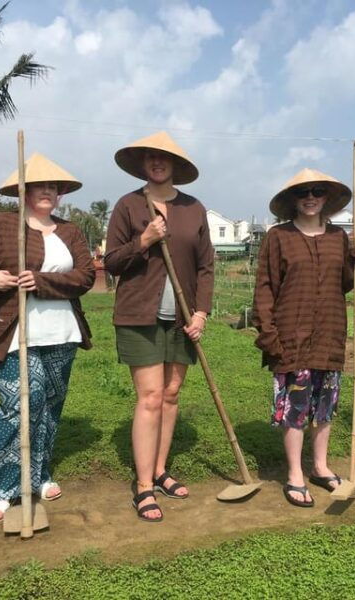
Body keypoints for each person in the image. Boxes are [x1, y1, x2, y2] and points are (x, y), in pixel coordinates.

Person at [0, 154, 95, 522]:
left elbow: (85, 276)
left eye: (53, 187)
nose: (47, 192)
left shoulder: (70, 231)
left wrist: (40, 281)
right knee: (22, 402)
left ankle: (38, 475)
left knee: (50, 406)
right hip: (9, 331)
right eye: (40, 186)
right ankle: (0, 487)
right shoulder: (0, 225)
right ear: (23, 191)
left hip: (61, 333)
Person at [105, 131, 214, 522]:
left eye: (164, 158)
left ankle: (160, 469)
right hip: (140, 315)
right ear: (143, 164)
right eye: (151, 157)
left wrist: (201, 312)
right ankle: (143, 486)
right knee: (150, 396)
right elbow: (112, 263)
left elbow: (205, 266)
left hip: (182, 318)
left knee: (170, 394)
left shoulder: (193, 208)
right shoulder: (128, 206)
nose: (157, 162)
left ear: (175, 166)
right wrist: (145, 240)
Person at [252, 168, 355, 507]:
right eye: (303, 192)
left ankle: (319, 466)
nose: (310, 197)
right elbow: (265, 287)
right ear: (293, 200)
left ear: (327, 198)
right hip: (291, 334)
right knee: (295, 405)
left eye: (317, 191)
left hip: (330, 331)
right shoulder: (278, 237)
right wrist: (267, 332)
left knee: (325, 404)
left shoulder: (338, 237)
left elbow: (344, 283)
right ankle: (295, 474)